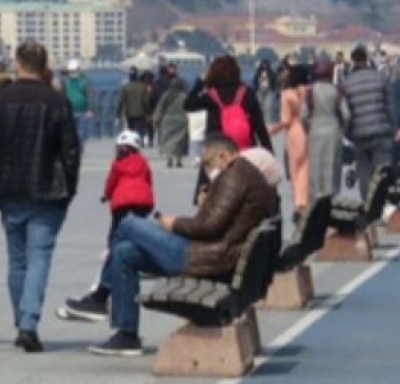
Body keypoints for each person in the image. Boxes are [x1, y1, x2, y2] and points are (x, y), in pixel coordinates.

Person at [83, 135, 278, 356]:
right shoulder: (243, 175)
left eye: (208, 163)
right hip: (213, 255)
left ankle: (99, 297)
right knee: (123, 253)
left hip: (203, 259)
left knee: (128, 224)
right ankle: (126, 335)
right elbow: (218, 223)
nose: (207, 169)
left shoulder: (234, 176)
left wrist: (172, 223)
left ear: (223, 156)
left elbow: (208, 227)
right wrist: (208, 202)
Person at [0, 41, 82, 354]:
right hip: (48, 191)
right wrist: (69, 190)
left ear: (17, 65)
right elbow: (71, 152)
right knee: (39, 258)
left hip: (8, 191)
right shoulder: (57, 102)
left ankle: (22, 319)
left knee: (17, 260)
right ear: (45, 67)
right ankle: (28, 323)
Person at [55, 130, 154, 323]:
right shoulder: (143, 163)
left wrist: (106, 195)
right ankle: (102, 295)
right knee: (132, 238)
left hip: (122, 205)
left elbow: (111, 183)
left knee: (116, 241)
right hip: (142, 204)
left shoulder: (117, 164)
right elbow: (148, 182)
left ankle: (100, 297)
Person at [183, 55, 272, 153]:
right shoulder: (248, 93)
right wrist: (268, 151)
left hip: (216, 148)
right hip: (244, 149)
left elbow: (188, 105)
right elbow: (259, 126)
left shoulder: (211, 95)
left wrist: (199, 82)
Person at [343, 45, 395, 198]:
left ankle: (367, 206)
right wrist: (393, 128)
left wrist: (348, 133)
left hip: (358, 135)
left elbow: (346, 112)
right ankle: (382, 203)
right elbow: (390, 107)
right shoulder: (380, 78)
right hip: (381, 132)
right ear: (367, 59)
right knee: (382, 171)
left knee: (363, 172)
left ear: (352, 60)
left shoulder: (347, 83)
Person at [269, 65, 310, 218]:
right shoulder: (310, 91)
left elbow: (285, 120)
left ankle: (299, 203)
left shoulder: (287, 95)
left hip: (294, 132)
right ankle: (306, 199)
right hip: (308, 130)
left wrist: (273, 129)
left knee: (295, 169)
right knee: (306, 168)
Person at [304, 60, 347, 203]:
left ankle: (315, 201)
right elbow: (346, 115)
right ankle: (331, 200)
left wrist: (307, 128)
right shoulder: (336, 91)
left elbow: (303, 115)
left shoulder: (309, 91)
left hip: (315, 129)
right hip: (333, 129)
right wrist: (343, 130)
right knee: (332, 167)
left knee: (315, 168)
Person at [152, 77, 189, 168]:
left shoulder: (166, 95)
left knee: (168, 140)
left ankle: (169, 159)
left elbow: (160, 108)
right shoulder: (184, 96)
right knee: (180, 141)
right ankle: (179, 161)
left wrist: (155, 120)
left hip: (167, 120)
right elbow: (189, 108)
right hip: (181, 120)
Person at [116, 67, 151, 145]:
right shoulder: (142, 87)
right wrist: (148, 113)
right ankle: (139, 140)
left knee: (130, 128)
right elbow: (145, 101)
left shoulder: (125, 87)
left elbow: (121, 101)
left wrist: (118, 113)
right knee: (139, 128)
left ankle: (132, 142)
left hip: (129, 112)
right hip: (141, 112)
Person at [61, 58, 94, 140]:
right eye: (71, 71)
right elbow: (62, 95)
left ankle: (79, 150)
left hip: (82, 111)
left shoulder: (84, 81)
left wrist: (90, 110)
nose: (73, 73)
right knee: (70, 133)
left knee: (81, 134)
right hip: (69, 111)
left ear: (78, 70)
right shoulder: (65, 81)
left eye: (74, 71)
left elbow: (89, 95)